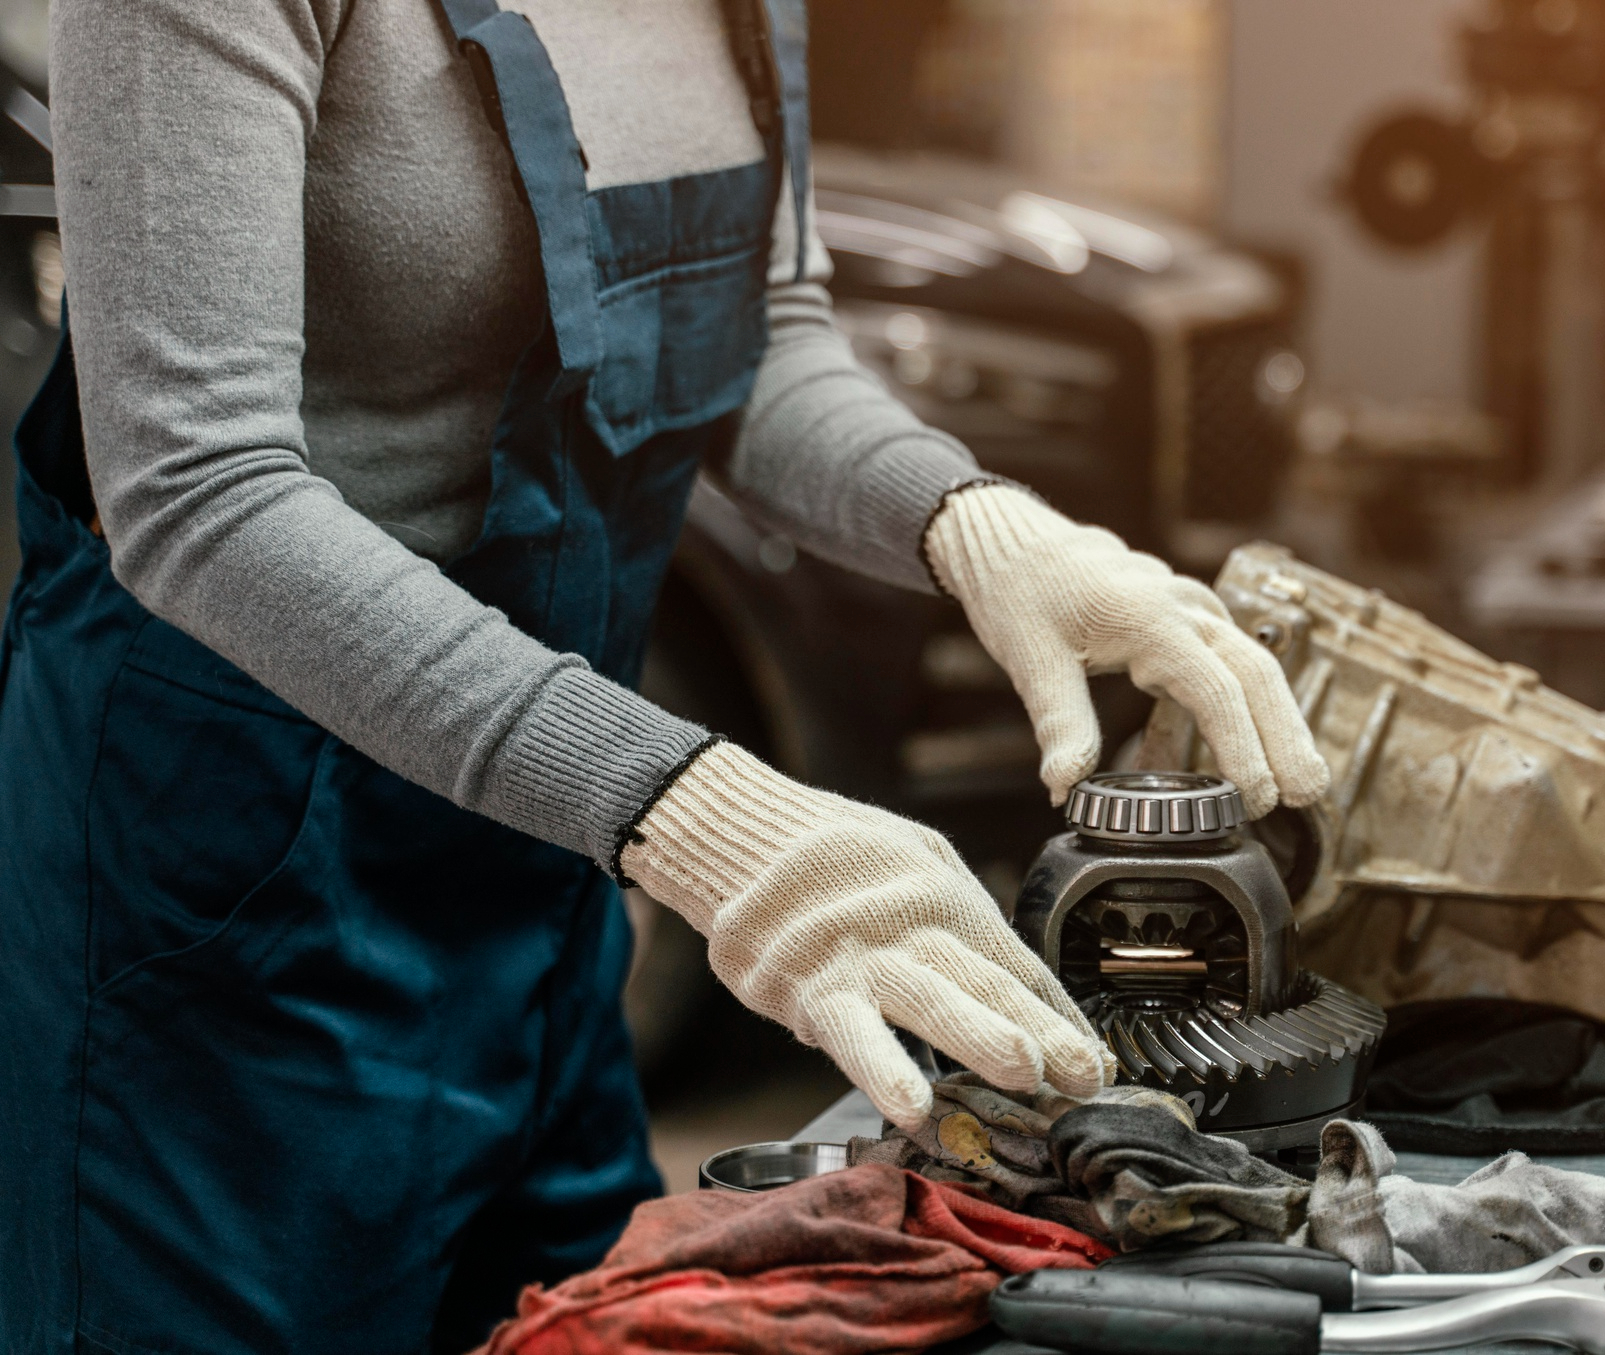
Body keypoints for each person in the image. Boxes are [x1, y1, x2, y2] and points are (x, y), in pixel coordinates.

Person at [0, 1, 1329, 1350]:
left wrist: (976, 524)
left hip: (543, 873)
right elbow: (197, 491)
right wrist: (700, 816)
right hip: (227, 909)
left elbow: (771, 343)